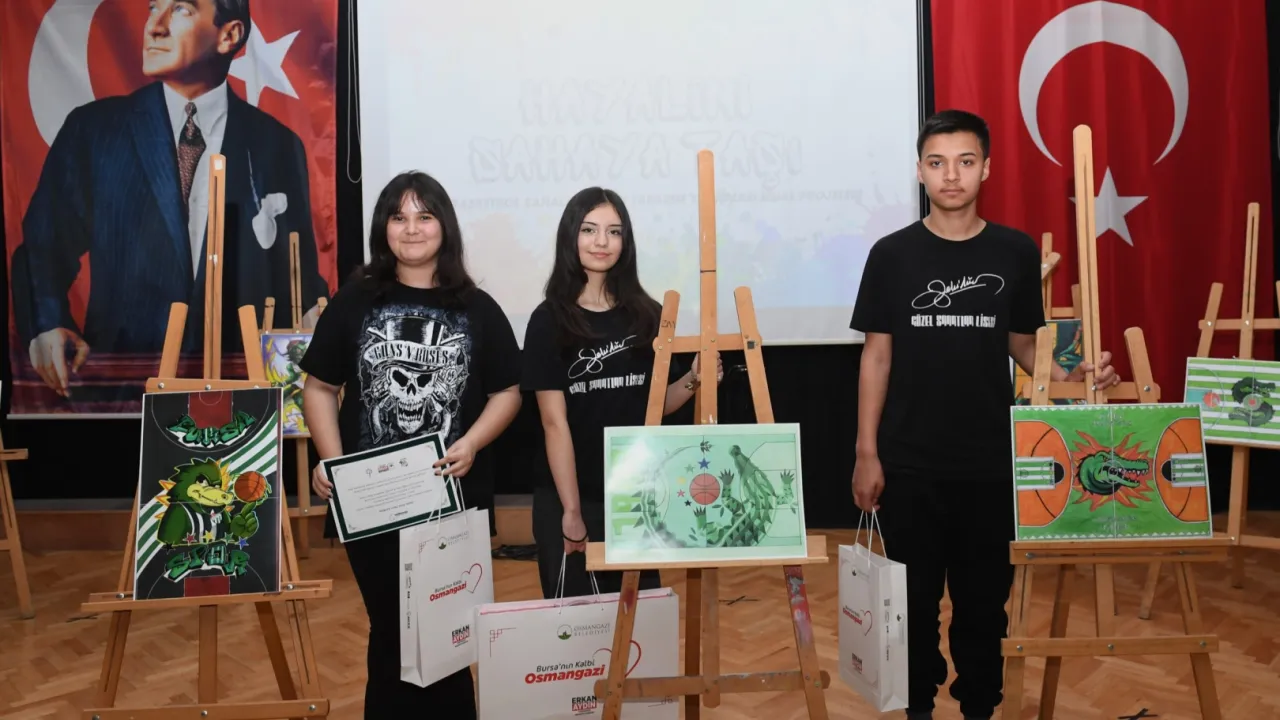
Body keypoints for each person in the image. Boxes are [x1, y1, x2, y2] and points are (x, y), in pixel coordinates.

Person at [849, 109, 1119, 720]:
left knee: (982, 604)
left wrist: (1074, 377)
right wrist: (867, 451)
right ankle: (918, 706)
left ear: (986, 168)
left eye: (965, 161)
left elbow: (1024, 345)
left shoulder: (1013, 251)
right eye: (938, 162)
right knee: (910, 603)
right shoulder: (891, 255)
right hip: (908, 462)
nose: (952, 175)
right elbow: (876, 357)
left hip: (991, 463)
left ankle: (979, 707)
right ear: (920, 171)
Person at [12, 0, 328, 402]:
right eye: (152, 7)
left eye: (180, 9)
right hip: (123, 396)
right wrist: (47, 322)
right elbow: (43, 247)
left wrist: (317, 320)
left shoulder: (277, 144)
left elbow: (296, 275)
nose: (154, 26)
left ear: (229, 35)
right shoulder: (94, 131)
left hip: (240, 397)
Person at [299, 171, 522, 717]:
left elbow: (509, 392)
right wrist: (333, 461)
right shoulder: (354, 301)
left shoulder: (478, 308)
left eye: (425, 216)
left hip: (451, 501)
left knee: (446, 634)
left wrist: (472, 443)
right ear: (383, 228)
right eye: (399, 217)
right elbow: (319, 387)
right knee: (390, 629)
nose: (412, 228)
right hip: (372, 503)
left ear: (445, 226)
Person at [521, 187, 722, 599]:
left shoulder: (646, 315)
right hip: (569, 496)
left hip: (635, 497)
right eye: (589, 230)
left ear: (625, 241)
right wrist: (572, 512)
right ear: (570, 236)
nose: (601, 242)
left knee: (638, 619)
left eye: (614, 232)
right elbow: (554, 424)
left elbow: (654, 406)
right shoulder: (548, 320)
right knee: (575, 626)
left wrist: (695, 379)